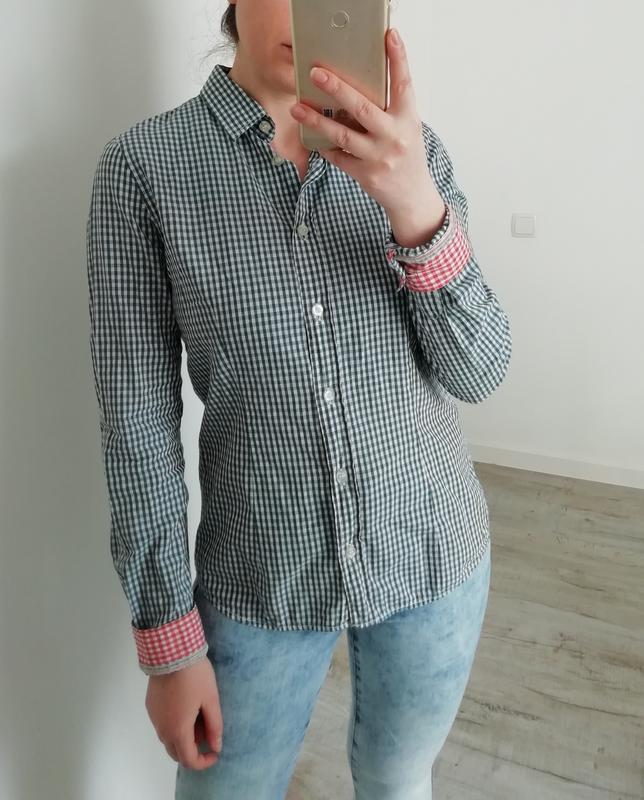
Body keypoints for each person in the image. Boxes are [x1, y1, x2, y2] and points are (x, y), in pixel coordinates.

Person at [85, 1, 512, 797]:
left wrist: (415, 207)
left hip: (434, 556)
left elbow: (480, 372)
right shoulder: (144, 171)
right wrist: (170, 645)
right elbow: (137, 426)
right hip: (261, 576)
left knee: (396, 779)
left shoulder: (413, 155)